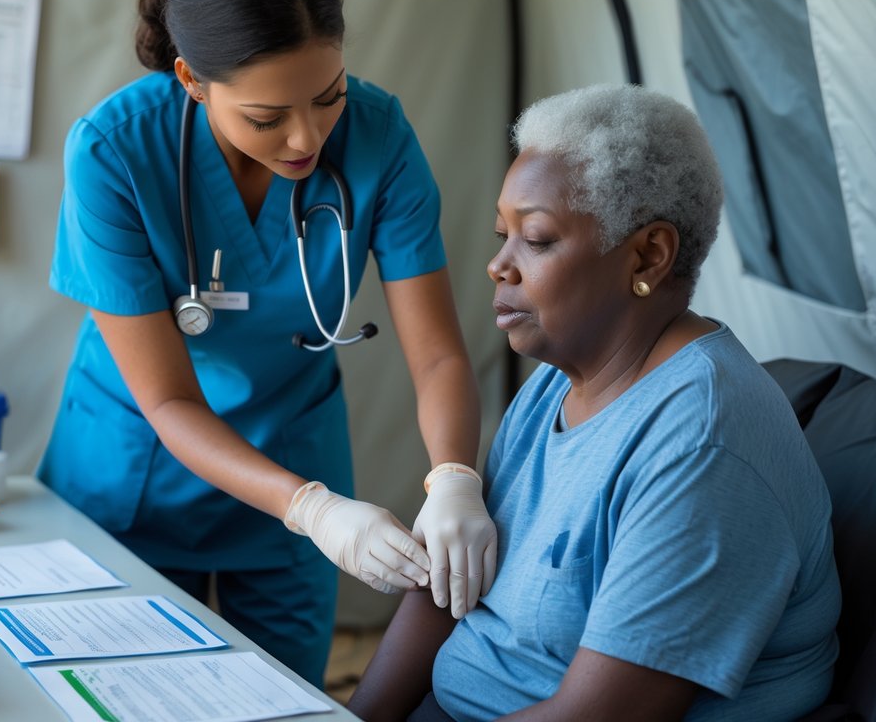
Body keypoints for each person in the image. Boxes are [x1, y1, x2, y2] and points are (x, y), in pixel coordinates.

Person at [38, 0, 497, 686]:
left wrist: (454, 475)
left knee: (284, 697)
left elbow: (438, 353)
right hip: (138, 468)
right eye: (264, 115)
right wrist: (312, 507)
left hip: (292, 446)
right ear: (190, 79)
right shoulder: (114, 151)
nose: (305, 139)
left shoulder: (379, 136)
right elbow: (170, 402)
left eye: (327, 95)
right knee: (132, 697)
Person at [346, 84, 841, 720]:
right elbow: (448, 587)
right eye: (503, 235)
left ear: (648, 255)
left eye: (539, 239)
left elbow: (596, 716)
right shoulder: (560, 379)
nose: (500, 266)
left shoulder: (702, 444)